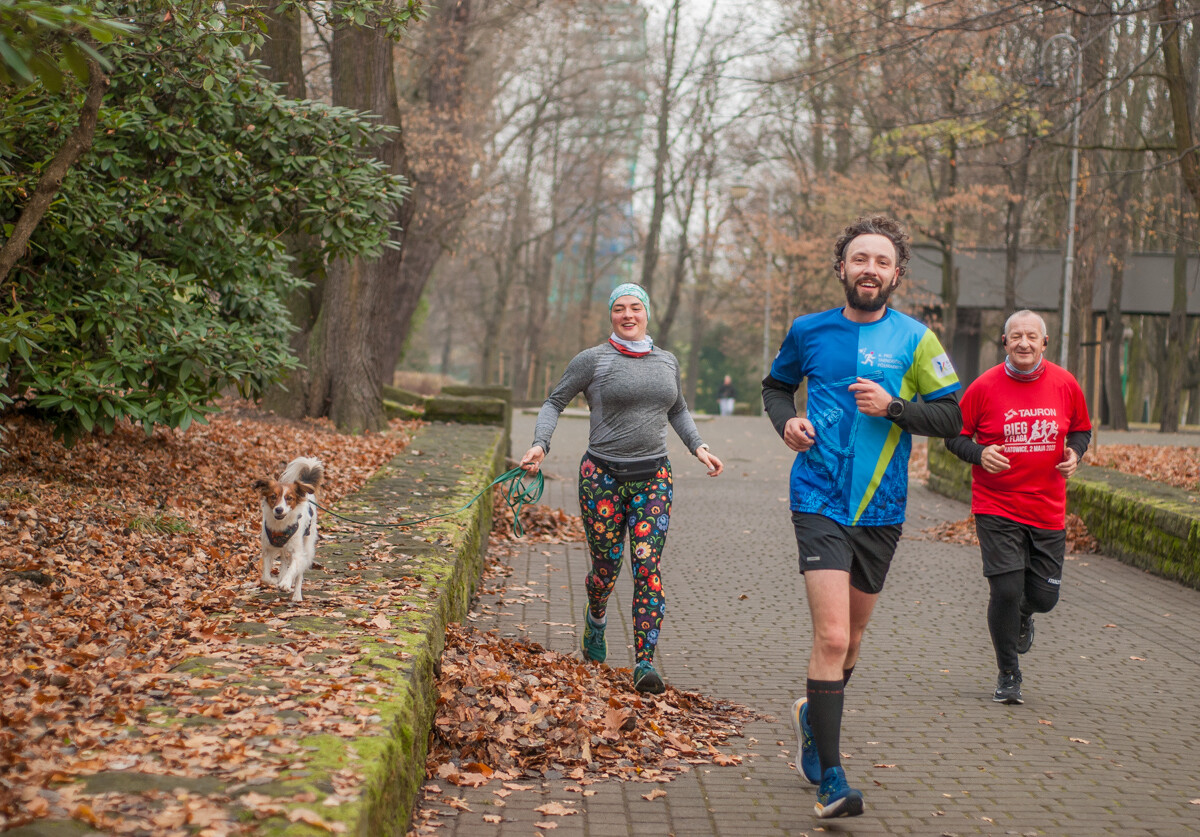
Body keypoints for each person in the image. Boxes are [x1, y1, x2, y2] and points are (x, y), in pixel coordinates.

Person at [761, 215, 962, 819]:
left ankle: (811, 720)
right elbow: (775, 387)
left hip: (882, 508)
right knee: (833, 636)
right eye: (859, 259)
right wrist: (787, 423)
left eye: (881, 261)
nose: (869, 269)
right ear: (841, 267)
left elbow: (952, 417)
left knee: (854, 640)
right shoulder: (808, 330)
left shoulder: (917, 340)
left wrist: (897, 407)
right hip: (818, 495)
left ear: (897, 274)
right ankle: (832, 779)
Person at [520, 282, 723, 694]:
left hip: (654, 479)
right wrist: (540, 444)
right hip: (602, 479)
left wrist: (698, 446)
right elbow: (553, 402)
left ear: (647, 313)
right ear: (610, 315)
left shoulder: (667, 362)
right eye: (619, 309)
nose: (627, 315)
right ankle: (596, 618)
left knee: (647, 568)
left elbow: (678, 408)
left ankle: (644, 663)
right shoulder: (592, 360)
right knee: (606, 571)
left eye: (635, 307)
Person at [945, 310, 1091, 705]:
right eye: (1015, 336)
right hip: (997, 505)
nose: (1023, 343)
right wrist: (978, 453)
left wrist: (1075, 452)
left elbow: (1081, 428)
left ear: (1044, 343)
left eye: (1031, 336)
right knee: (1006, 589)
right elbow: (954, 437)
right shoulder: (984, 386)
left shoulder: (1065, 383)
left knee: (1043, 598)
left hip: (1047, 507)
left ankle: (1025, 614)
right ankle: (1009, 672)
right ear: (1005, 343)